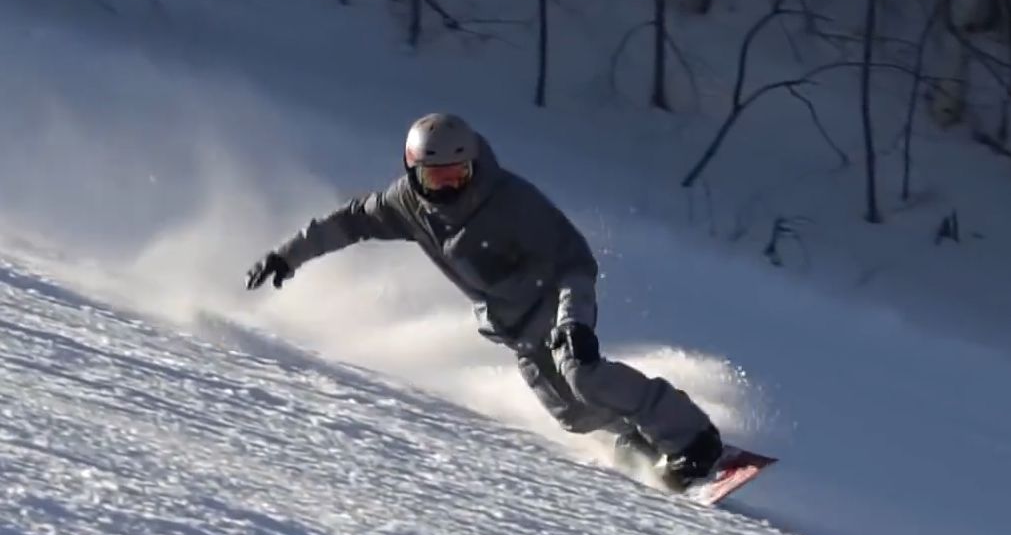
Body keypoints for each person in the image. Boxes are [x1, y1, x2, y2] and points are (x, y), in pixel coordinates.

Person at [246, 113, 723, 490]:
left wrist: (574, 321)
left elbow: (574, 261)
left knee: (583, 372)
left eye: (459, 173)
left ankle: (693, 436)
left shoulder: (512, 201)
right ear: (414, 172)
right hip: (512, 325)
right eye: (437, 178)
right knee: (572, 414)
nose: (451, 186)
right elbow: (348, 222)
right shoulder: (405, 206)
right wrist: (287, 256)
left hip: (558, 303)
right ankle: (637, 435)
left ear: (475, 164)